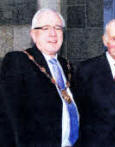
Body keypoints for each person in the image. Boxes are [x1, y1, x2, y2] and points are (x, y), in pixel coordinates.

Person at [0, 8, 79, 146]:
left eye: (58, 28)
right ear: (33, 34)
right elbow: (9, 118)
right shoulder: (19, 62)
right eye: (45, 28)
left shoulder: (67, 67)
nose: (53, 33)